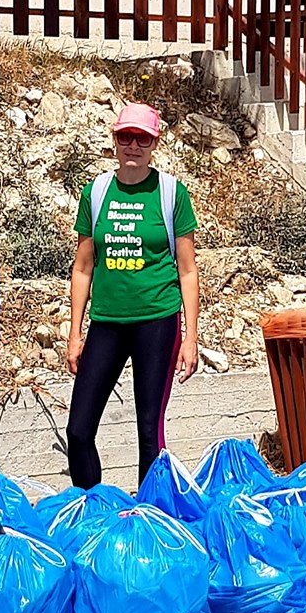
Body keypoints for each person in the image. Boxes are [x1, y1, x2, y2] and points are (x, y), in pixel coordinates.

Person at [64, 102, 200, 489]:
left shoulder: (172, 193)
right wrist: (75, 333)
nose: (133, 145)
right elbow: (83, 267)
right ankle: (90, 509)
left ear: (154, 143)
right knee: (79, 429)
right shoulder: (97, 192)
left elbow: (188, 270)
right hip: (107, 320)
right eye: (126, 136)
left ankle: (148, 518)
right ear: (115, 140)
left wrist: (190, 338)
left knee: (148, 433)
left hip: (157, 319)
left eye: (142, 138)